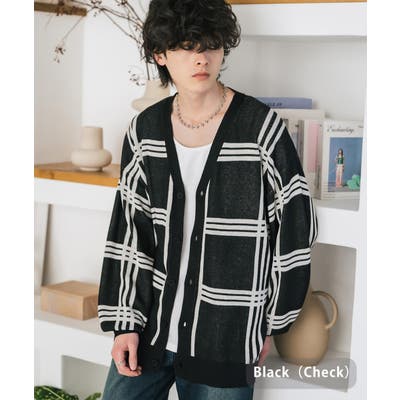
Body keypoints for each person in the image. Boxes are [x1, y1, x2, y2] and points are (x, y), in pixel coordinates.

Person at [98, 1, 318, 399]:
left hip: (227, 336)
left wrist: (269, 322)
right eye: (186, 46)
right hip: (149, 329)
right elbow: (130, 233)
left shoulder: (260, 129)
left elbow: (295, 228)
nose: (201, 58)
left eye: (211, 44)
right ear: (160, 54)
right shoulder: (144, 130)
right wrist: (125, 323)